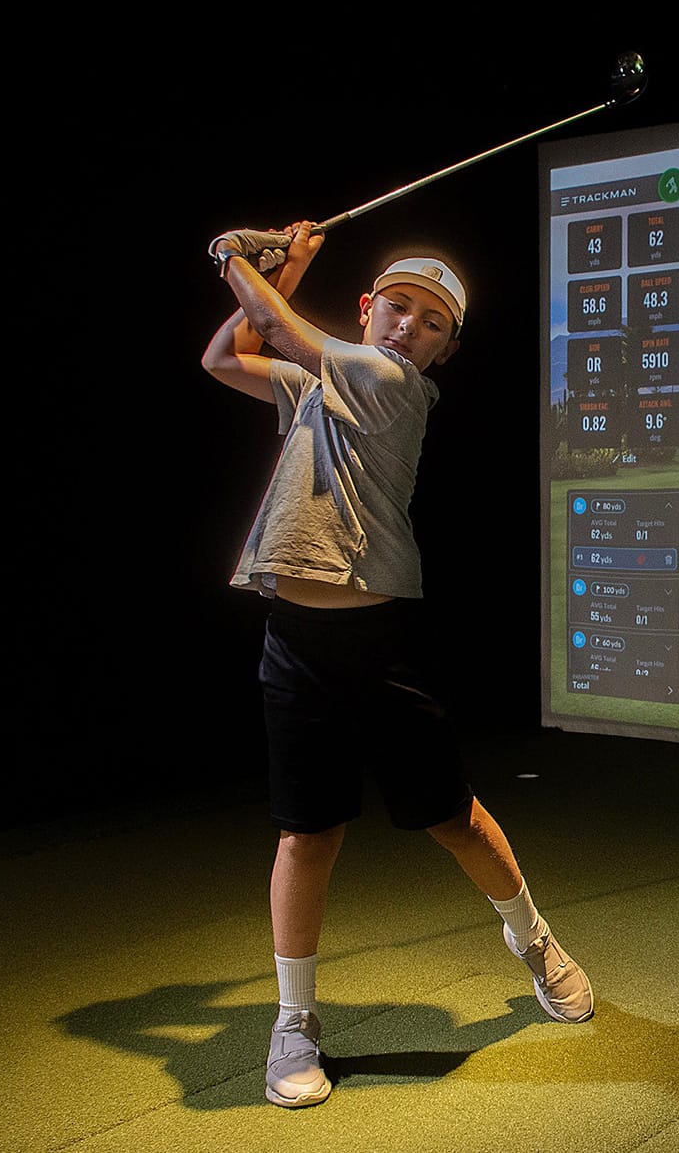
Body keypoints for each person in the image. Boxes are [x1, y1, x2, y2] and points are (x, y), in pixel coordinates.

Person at [202, 223, 593, 1109]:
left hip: (376, 646)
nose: (409, 326)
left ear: (443, 350)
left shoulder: (391, 383)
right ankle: (294, 1022)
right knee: (306, 835)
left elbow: (282, 332)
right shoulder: (322, 380)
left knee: (454, 818)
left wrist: (233, 256)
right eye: (398, 306)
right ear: (367, 308)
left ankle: (535, 944)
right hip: (293, 643)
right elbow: (226, 357)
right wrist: (286, 273)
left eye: (432, 321)